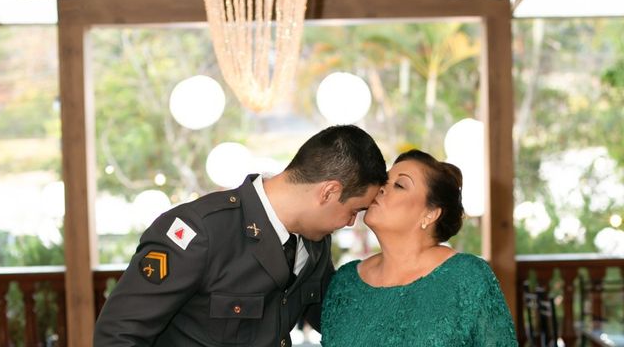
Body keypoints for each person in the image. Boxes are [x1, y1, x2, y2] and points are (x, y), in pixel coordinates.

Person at [93, 124, 387, 346]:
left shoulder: (315, 241)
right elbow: (118, 336)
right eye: (355, 210)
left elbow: (333, 318)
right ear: (329, 192)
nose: (350, 223)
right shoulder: (201, 231)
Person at [321, 148, 518, 346]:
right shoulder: (345, 282)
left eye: (399, 185)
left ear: (430, 214)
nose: (380, 188)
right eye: (384, 181)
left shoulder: (468, 277)